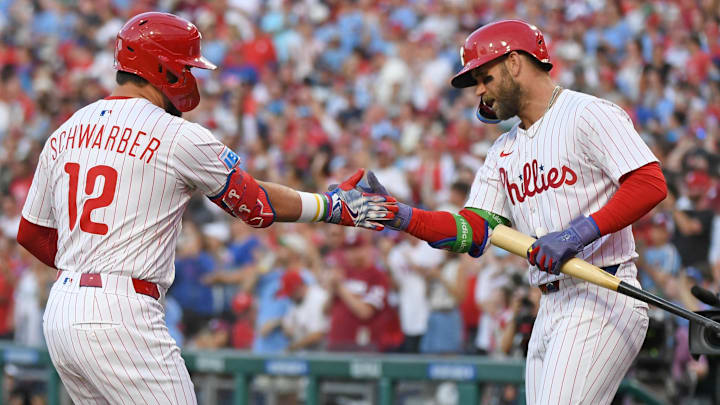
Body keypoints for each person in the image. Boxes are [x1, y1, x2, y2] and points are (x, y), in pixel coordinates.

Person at [15, 12, 392, 404]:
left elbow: (30, 233)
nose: (191, 78)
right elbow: (255, 206)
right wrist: (330, 207)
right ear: (163, 67)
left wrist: (84, 275)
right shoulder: (176, 134)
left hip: (62, 309)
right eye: (186, 67)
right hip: (121, 312)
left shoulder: (68, 128)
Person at [368, 20, 668, 404]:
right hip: (550, 303)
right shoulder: (502, 151)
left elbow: (649, 182)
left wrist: (579, 233)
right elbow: (472, 232)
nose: (479, 90)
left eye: (484, 76)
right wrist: (402, 216)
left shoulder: (588, 112)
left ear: (514, 63)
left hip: (603, 291)